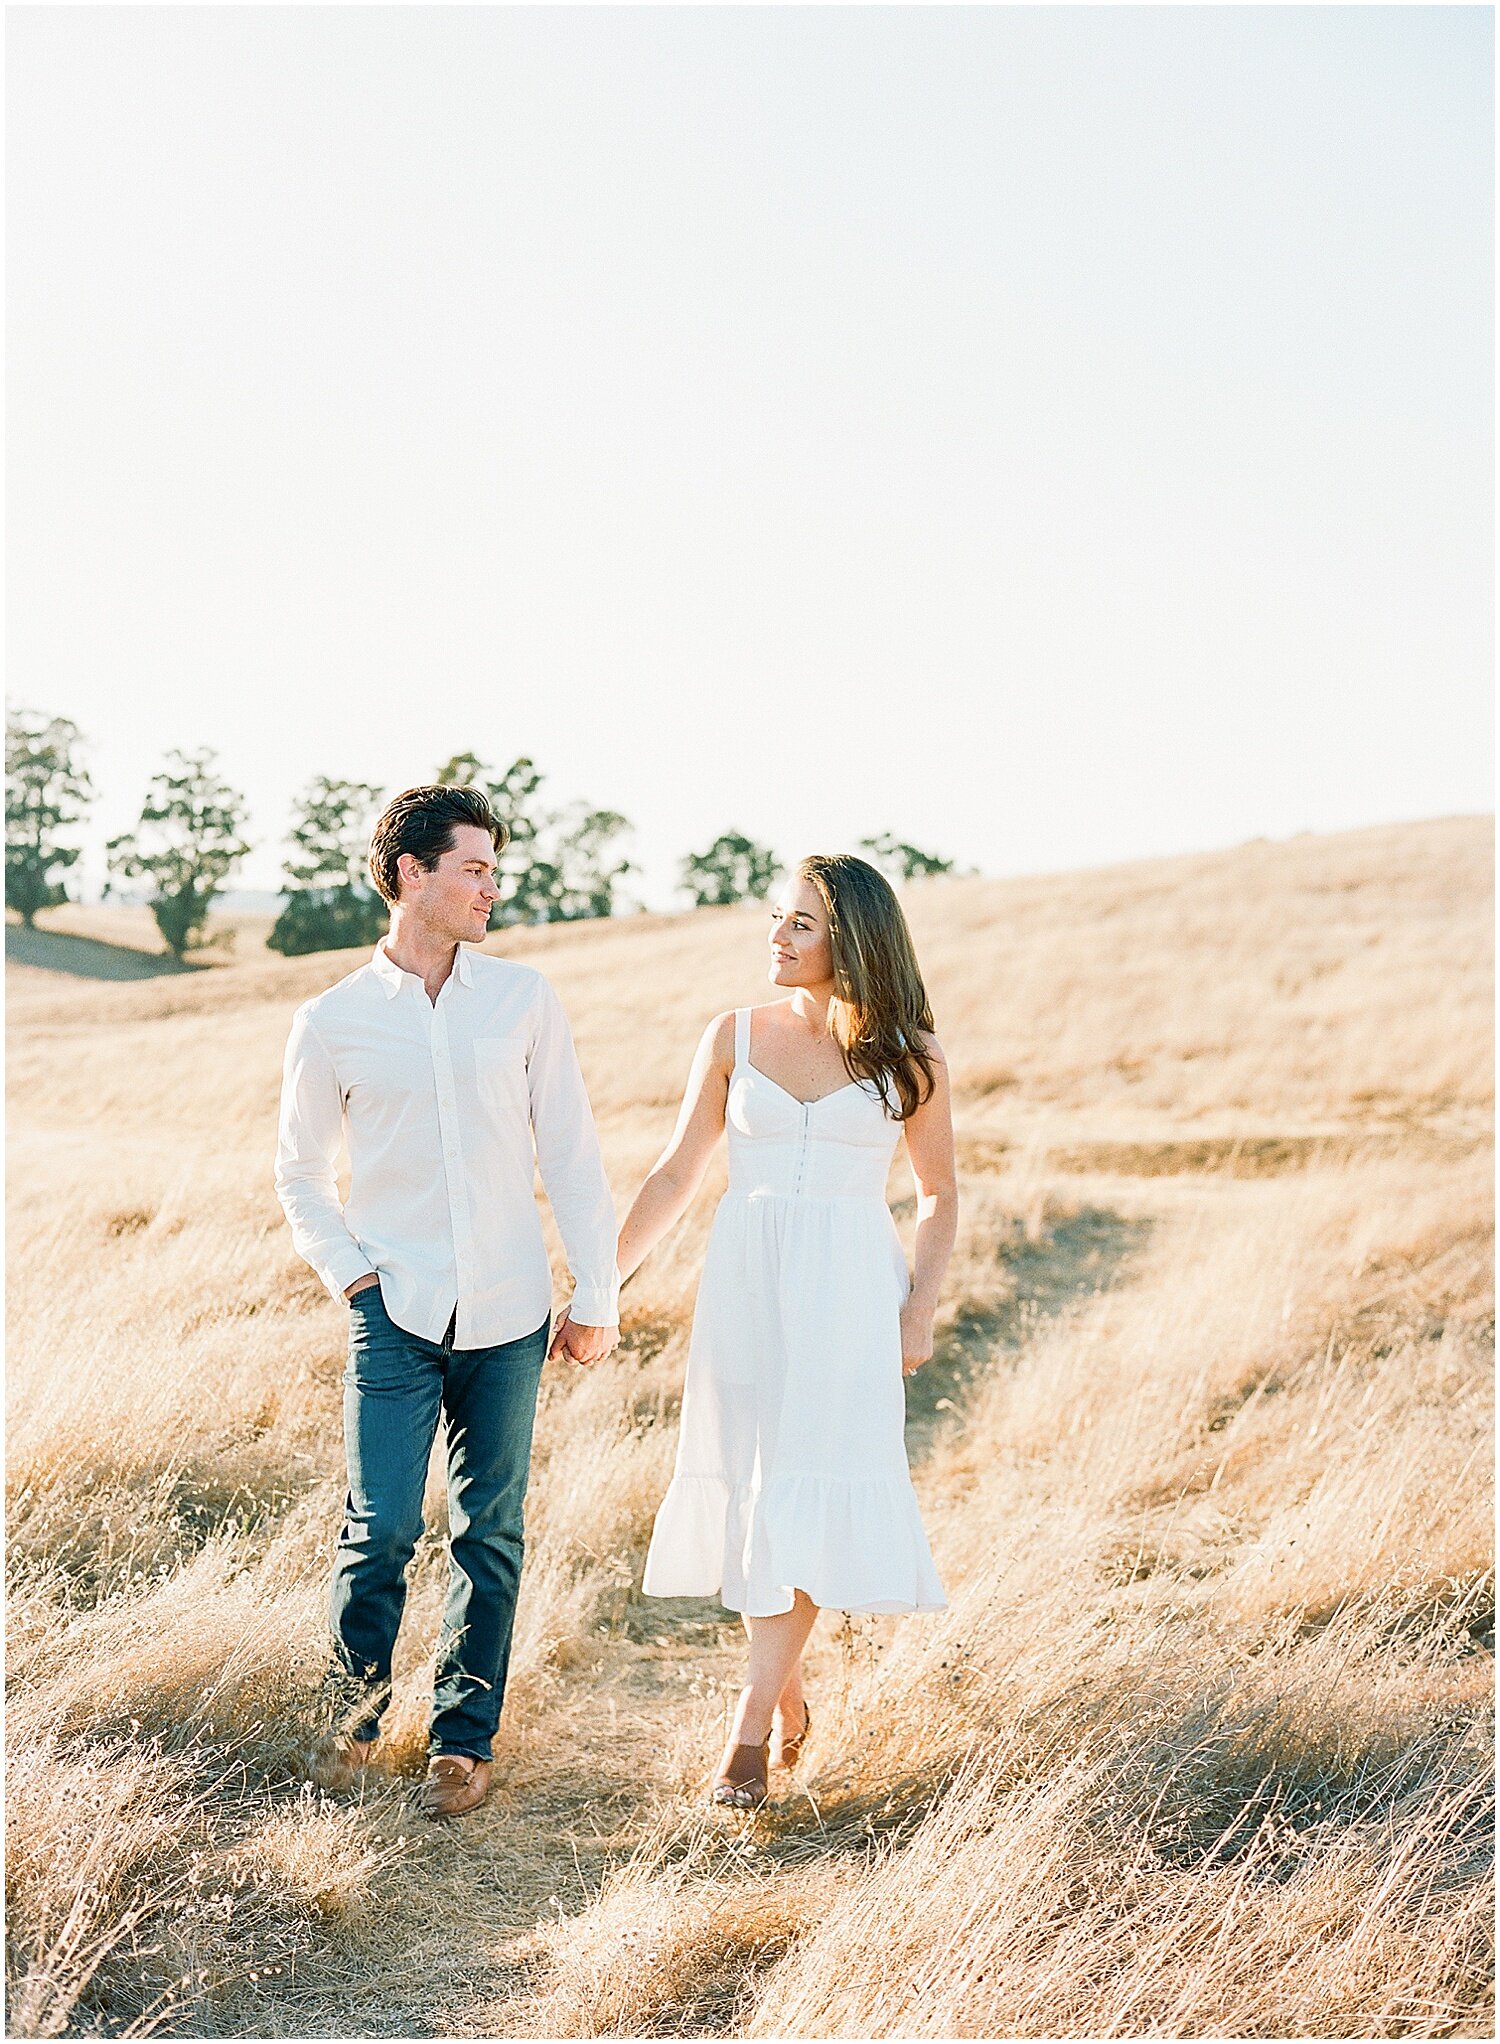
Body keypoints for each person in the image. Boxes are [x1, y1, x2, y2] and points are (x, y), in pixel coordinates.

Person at [575, 851, 956, 1809]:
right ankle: (783, 1694)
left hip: (851, 1295)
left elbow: (941, 1192)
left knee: (809, 1488)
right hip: (747, 1287)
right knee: (755, 1491)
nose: (776, 937)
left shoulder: (911, 1054)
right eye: (778, 917)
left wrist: (919, 1305)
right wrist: (598, 1286)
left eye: (799, 924)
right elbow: (674, 1175)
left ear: (853, 942)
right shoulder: (733, 1038)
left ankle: (743, 1741)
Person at [274, 783, 620, 1819]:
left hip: (512, 1310)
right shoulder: (330, 1020)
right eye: (473, 867)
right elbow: (298, 1172)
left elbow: (570, 1147)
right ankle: (350, 1726)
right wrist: (353, 1276)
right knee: (379, 1526)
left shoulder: (522, 1000)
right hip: (396, 1310)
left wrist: (594, 1288)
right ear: (409, 873)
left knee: (490, 1530)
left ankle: (462, 1745)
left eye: (494, 870)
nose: (491, 888)